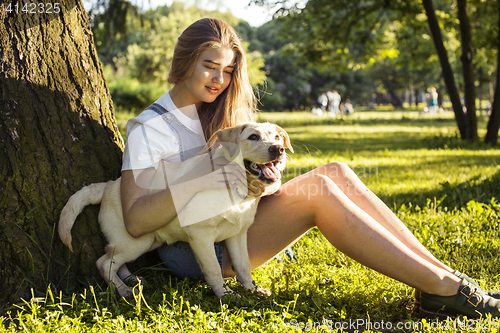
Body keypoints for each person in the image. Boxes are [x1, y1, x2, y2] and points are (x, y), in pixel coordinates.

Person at [121, 18, 500, 319]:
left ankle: (449, 279)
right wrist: (204, 176)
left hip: (236, 219)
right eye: (210, 67)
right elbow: (136, 221)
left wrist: (265, 178)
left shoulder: (222, 111)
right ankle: (445, 291)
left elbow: (252, 178)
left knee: (334, 171)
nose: (220, 80)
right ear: (184, 60)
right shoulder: (150, 128)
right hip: (196, 246)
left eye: (228, 70)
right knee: (319, 198)